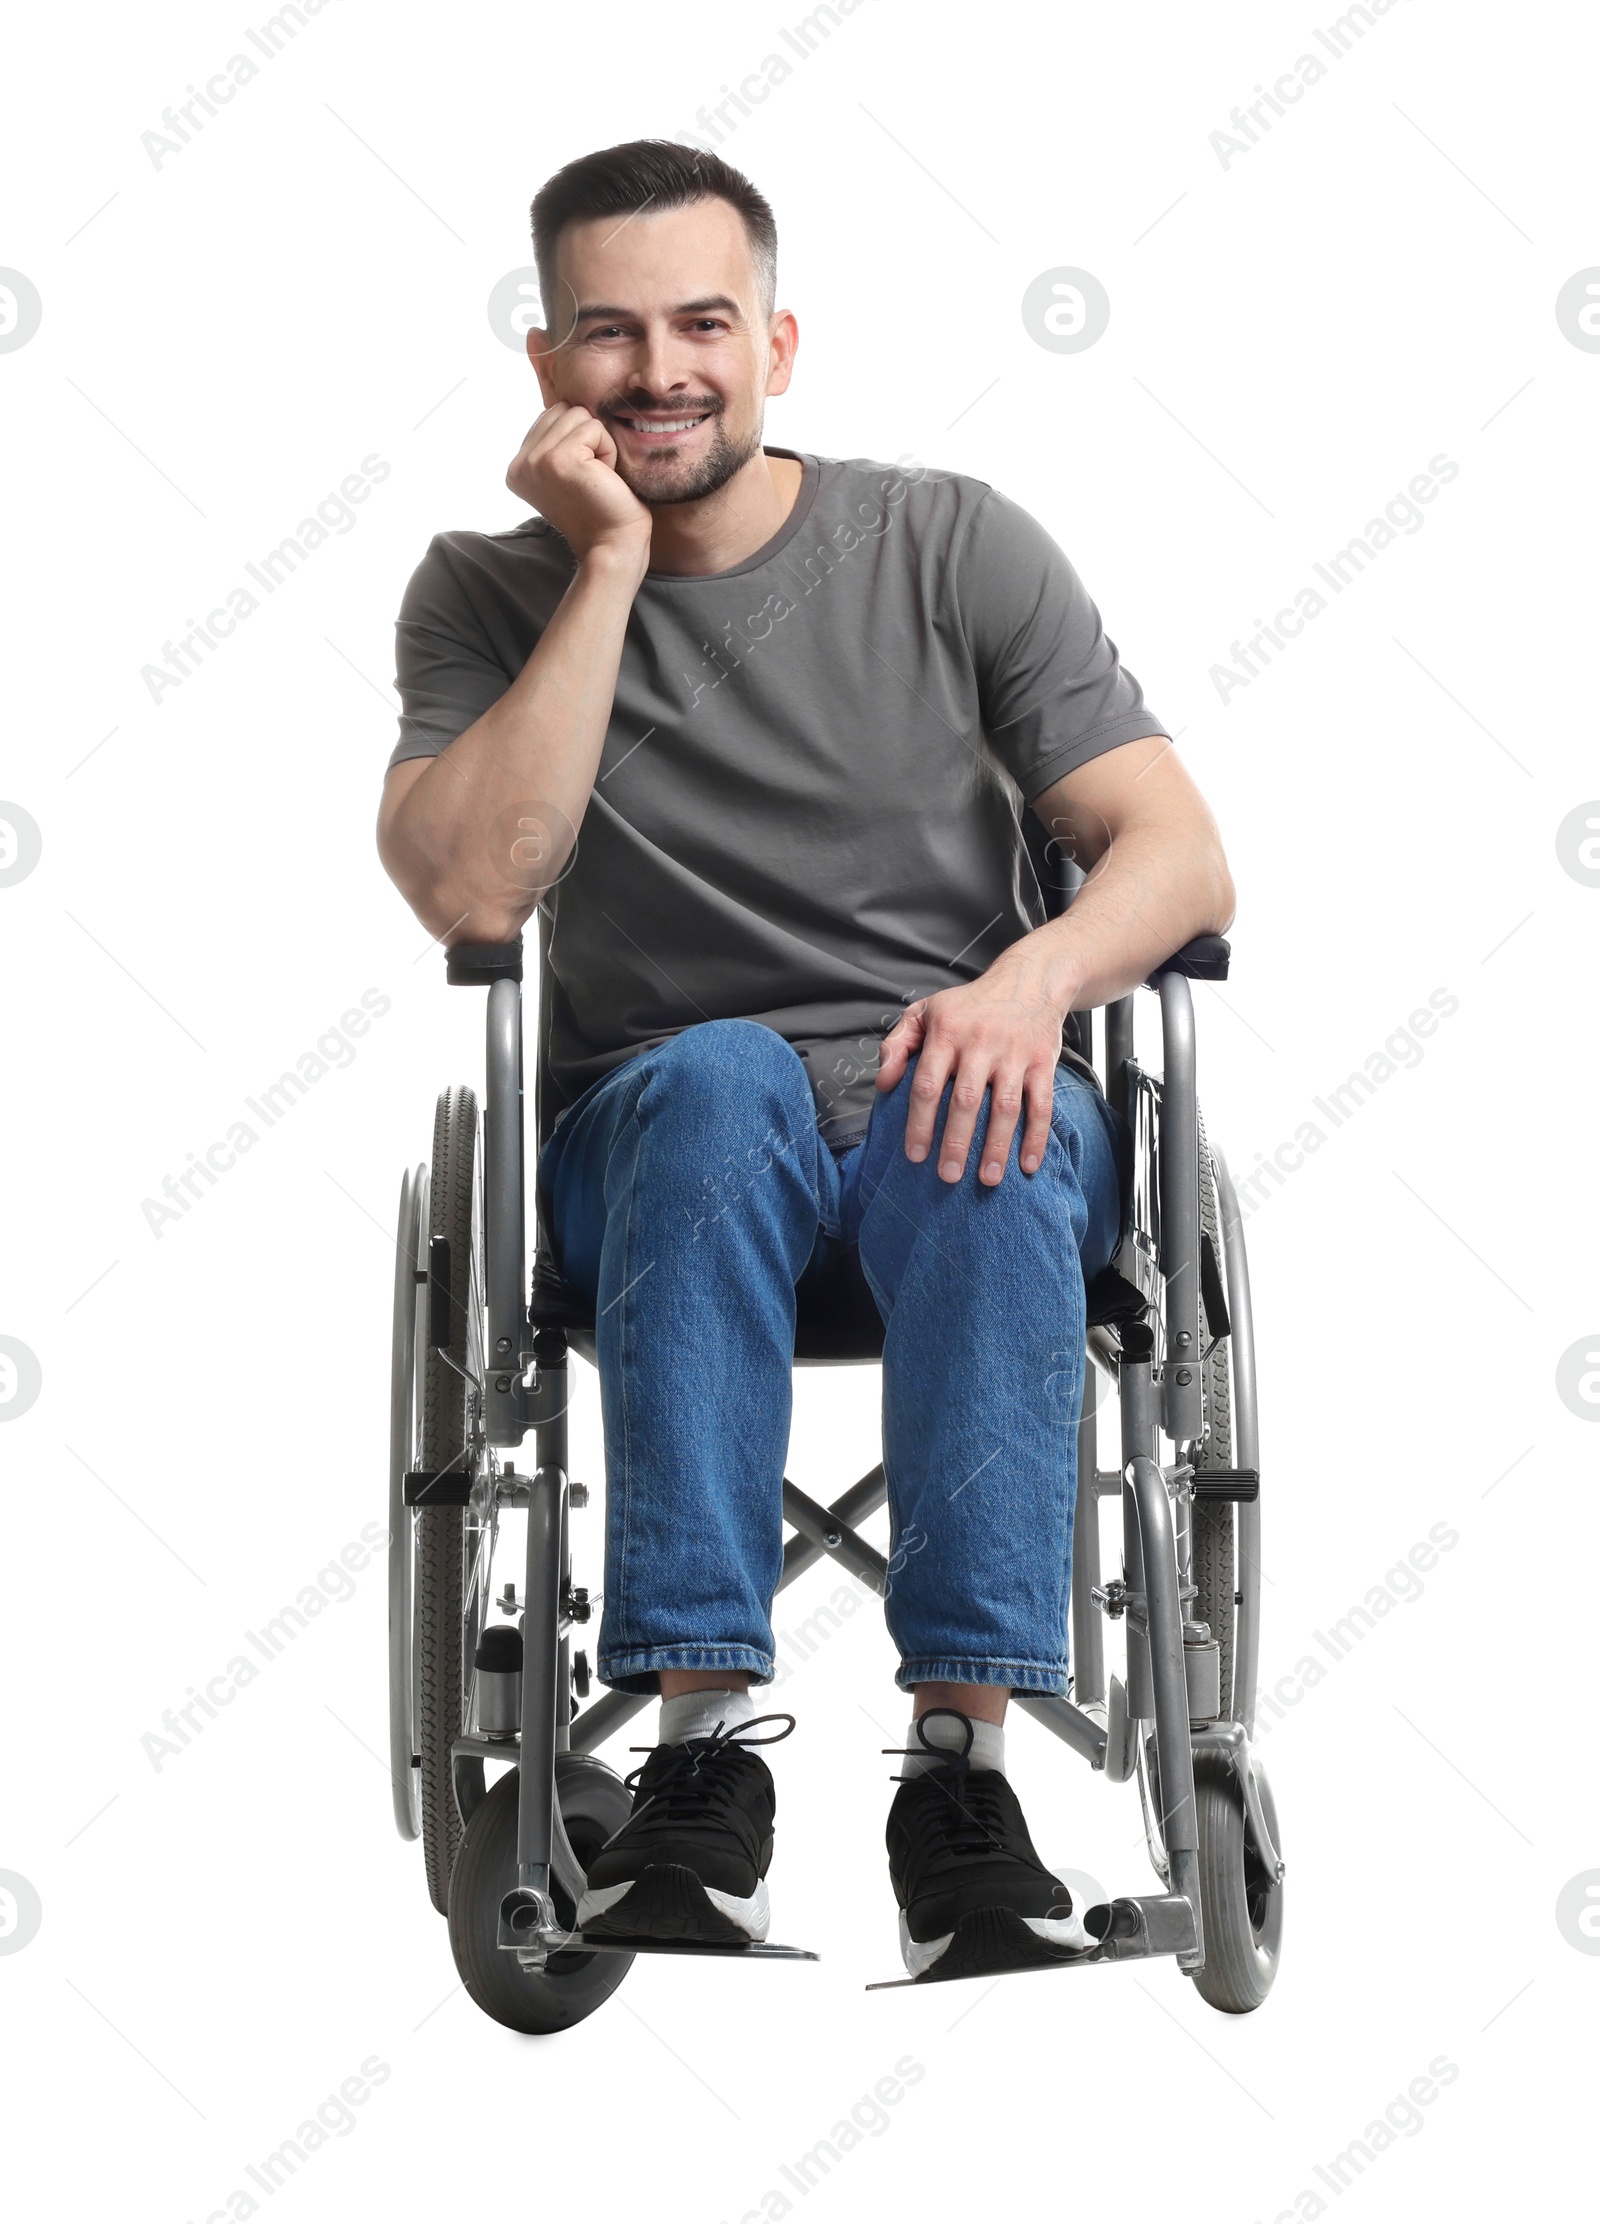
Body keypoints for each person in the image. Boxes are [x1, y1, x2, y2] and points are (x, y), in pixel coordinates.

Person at [377, 140, 1234, 1981]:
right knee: (718, 1076)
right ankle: (703, 1764)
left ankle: (964, 1781)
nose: (662, 368)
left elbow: (1179, 854)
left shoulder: (951, 544)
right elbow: (468, 883)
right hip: (674, 1157)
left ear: (778, 337)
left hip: (961, 1130)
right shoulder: (480, 592)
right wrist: (604, 569)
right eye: (610, 333)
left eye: (703, 322)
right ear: (549, 368)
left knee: (982, 1103)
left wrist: (1029, 983)